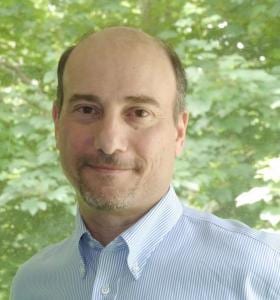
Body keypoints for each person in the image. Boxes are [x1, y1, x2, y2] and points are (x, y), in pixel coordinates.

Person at [11, 26, 280, 300]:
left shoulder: (264, 274)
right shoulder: (31, 284)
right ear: (57, 123)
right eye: (87, 110)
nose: (109, 142)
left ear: (179, 131)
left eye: (139, 113)